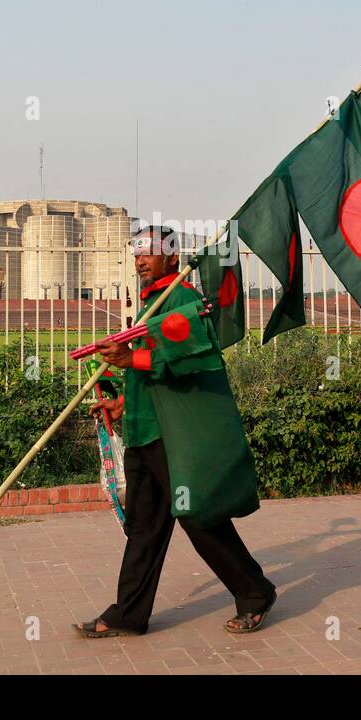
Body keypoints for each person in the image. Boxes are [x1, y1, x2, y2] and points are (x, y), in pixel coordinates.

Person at [72, 225, 276, 637]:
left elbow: (190, 359)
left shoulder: (180, 299)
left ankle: (255, 591)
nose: (141, 259)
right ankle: (129, 613)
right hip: (144, 430)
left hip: (173, 435)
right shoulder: (149, 302)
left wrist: (131, 361)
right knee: (144, 529)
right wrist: (123, 402)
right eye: (137, 253)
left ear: (172, 257)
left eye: (150, 252)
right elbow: (153, 368)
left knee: (200, 519)